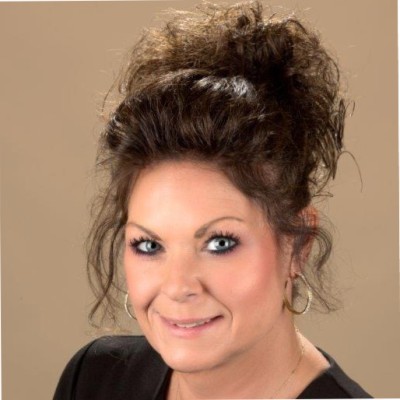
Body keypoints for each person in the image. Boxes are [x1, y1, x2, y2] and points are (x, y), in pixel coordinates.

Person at [53, 1, 372, 398]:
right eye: (149, 245)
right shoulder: (94, 378)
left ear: (297, 245)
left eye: (220, 243)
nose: (178, 286)